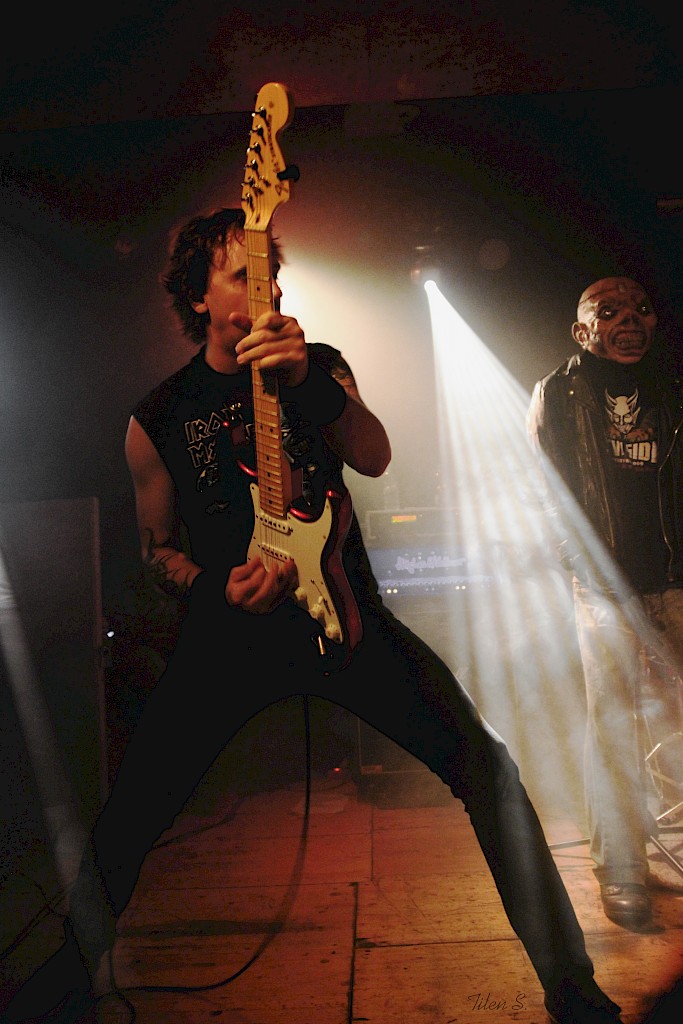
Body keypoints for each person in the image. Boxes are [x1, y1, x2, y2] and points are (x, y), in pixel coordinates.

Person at [1, 210, 623, 1024]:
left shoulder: (319, 366)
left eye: (270, 272)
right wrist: (213, 587)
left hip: (349, 627)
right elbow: (158, 552)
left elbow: (373, 455)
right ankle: (65, 982)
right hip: (227, 644)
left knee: (487, 771)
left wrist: (307, 382)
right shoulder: (157, 417)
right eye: (240, 274)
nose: (263, 288)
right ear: (197, 294)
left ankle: (571, 988)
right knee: (131, 816)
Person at [527, 275, 683, 930]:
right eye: (610, 311)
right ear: (581, 330)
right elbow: (546, 491)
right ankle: (621, 868)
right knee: (613, 723)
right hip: (603, 585)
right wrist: (583, 566)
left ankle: (672, 851)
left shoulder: (671, 388)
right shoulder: (559, 392)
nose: (629, 321)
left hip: (674, 580)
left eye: (640, 309)